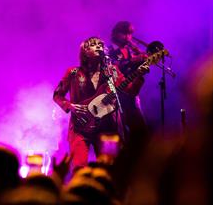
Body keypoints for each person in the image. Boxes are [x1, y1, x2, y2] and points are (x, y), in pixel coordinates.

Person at [53, 36, 147, 172]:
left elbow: (131, 91)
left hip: (107, 126)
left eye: (101, 45)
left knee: (110, 169)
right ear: (85, 51)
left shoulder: (112, 71)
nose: (99, 47)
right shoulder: (73, 73)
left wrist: (139, 75)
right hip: (80, 127)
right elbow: (57, 95)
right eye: (94, 45)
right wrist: (70, 106)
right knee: (79, 168)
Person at [108, 21, 149, 144]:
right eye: (124, 34)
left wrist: (144, 62)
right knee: (120, 134)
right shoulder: (109, 50)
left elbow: (138, 69)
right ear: (115, 34)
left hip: (132, 94)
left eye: (130, 34)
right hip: (117, 97)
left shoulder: (131, 50)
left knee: (140, 131)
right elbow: (113, 67)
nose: (128, 37)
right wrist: (133, 61)